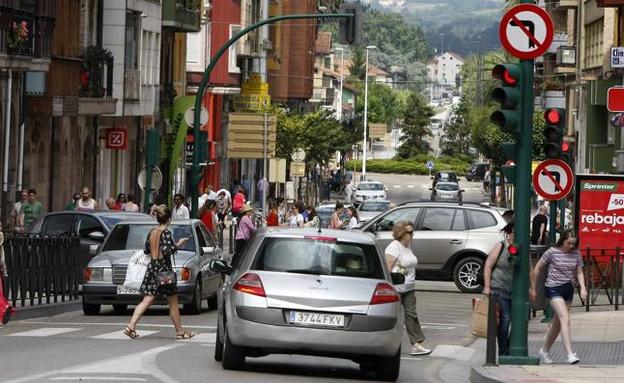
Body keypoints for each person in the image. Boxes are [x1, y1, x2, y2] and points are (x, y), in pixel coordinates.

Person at [123, 205, 195, 340]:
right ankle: (180, 332)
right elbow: (168, 250)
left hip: (152, 267)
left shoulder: (152, 232)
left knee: (147, 299)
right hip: (164, 270)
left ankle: (130, 326)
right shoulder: (166, 233)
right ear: (169, 219)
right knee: (173, 301)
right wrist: (179, 243)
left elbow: (146, 250)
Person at [530, 229, 587, 365]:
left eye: (574, 244)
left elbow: (579, 271)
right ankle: (569, 354)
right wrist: (533, 287)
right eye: (569, 243)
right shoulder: (552, 252)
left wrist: (583, 287)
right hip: (553, 288)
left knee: (558, 324)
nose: (571, 246)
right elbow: (538, 268)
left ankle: (544, 350)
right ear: (562, 240)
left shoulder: (576, 254)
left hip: (568, 289)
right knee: (565, 319)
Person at [384, 221, 431, 356]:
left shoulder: (408, 247)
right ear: (401, 233)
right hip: (397, 288)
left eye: (412, 232)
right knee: (393, 317)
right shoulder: (394, 247)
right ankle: (386, 343)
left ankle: (416, 344)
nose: (412, 234)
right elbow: (388, 269)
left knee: (411, 316)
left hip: (409, 287)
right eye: (409, 232)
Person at [482, 221, 515, 356]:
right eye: (515, 233)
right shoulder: (501, 246)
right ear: (508, 233)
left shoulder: (523, 249)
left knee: (518, 322)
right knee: (505, 320)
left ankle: (508, 348)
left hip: (515, 292)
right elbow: (488, 265)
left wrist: (532, 289)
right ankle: (503, 352)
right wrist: (487, 286)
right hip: (498, 288)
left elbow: (530, 270)